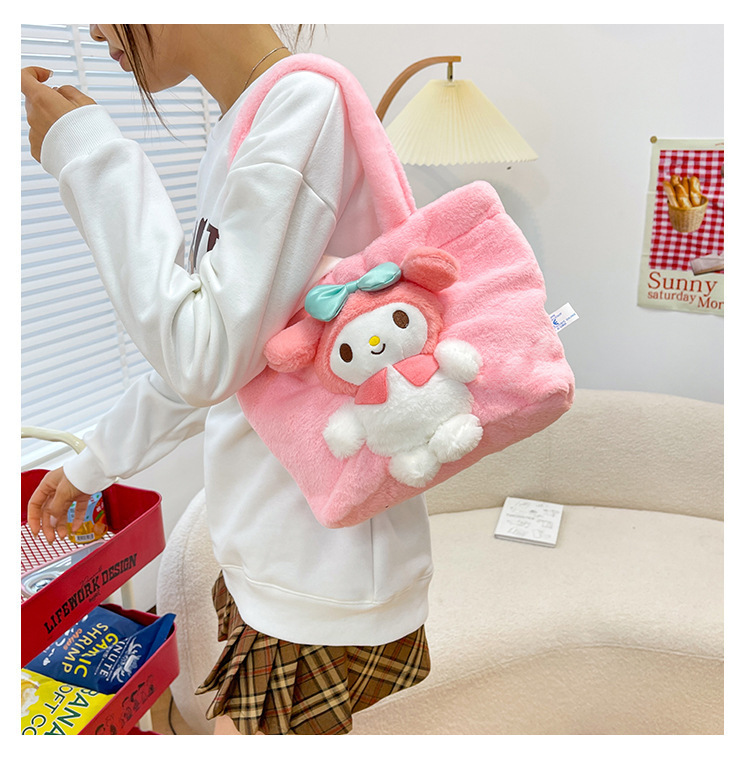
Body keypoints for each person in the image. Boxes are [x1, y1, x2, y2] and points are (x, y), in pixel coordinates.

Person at [21, 24, 432, 736]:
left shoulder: (301, 110)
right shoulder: (254, 120)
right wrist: (94, 462)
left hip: (314, 564)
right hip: (282, 548)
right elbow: (228, 356)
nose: (95, 27)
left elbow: (203, 356)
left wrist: (89, 156)